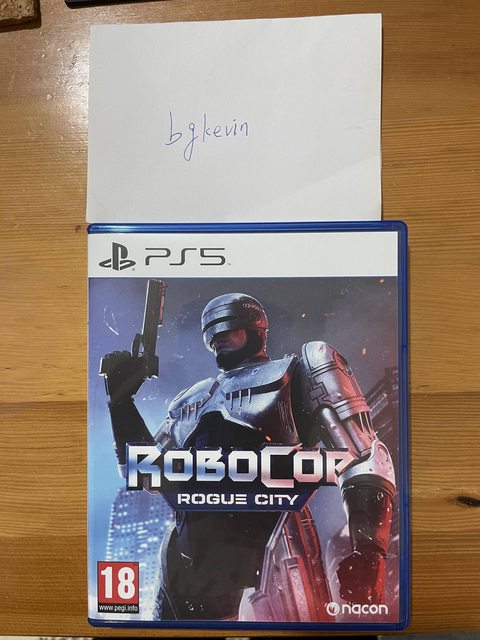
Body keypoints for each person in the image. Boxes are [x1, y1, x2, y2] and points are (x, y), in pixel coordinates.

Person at [102, 292, 396, 622]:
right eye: (212, 333)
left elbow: (364, 456)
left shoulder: (297, 371)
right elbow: (144, 472)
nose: (218, 338)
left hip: (271, 564)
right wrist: (121, 405)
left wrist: (369, 551)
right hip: (186, 572)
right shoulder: (191, 400)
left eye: (228, 328)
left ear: (256, 328)